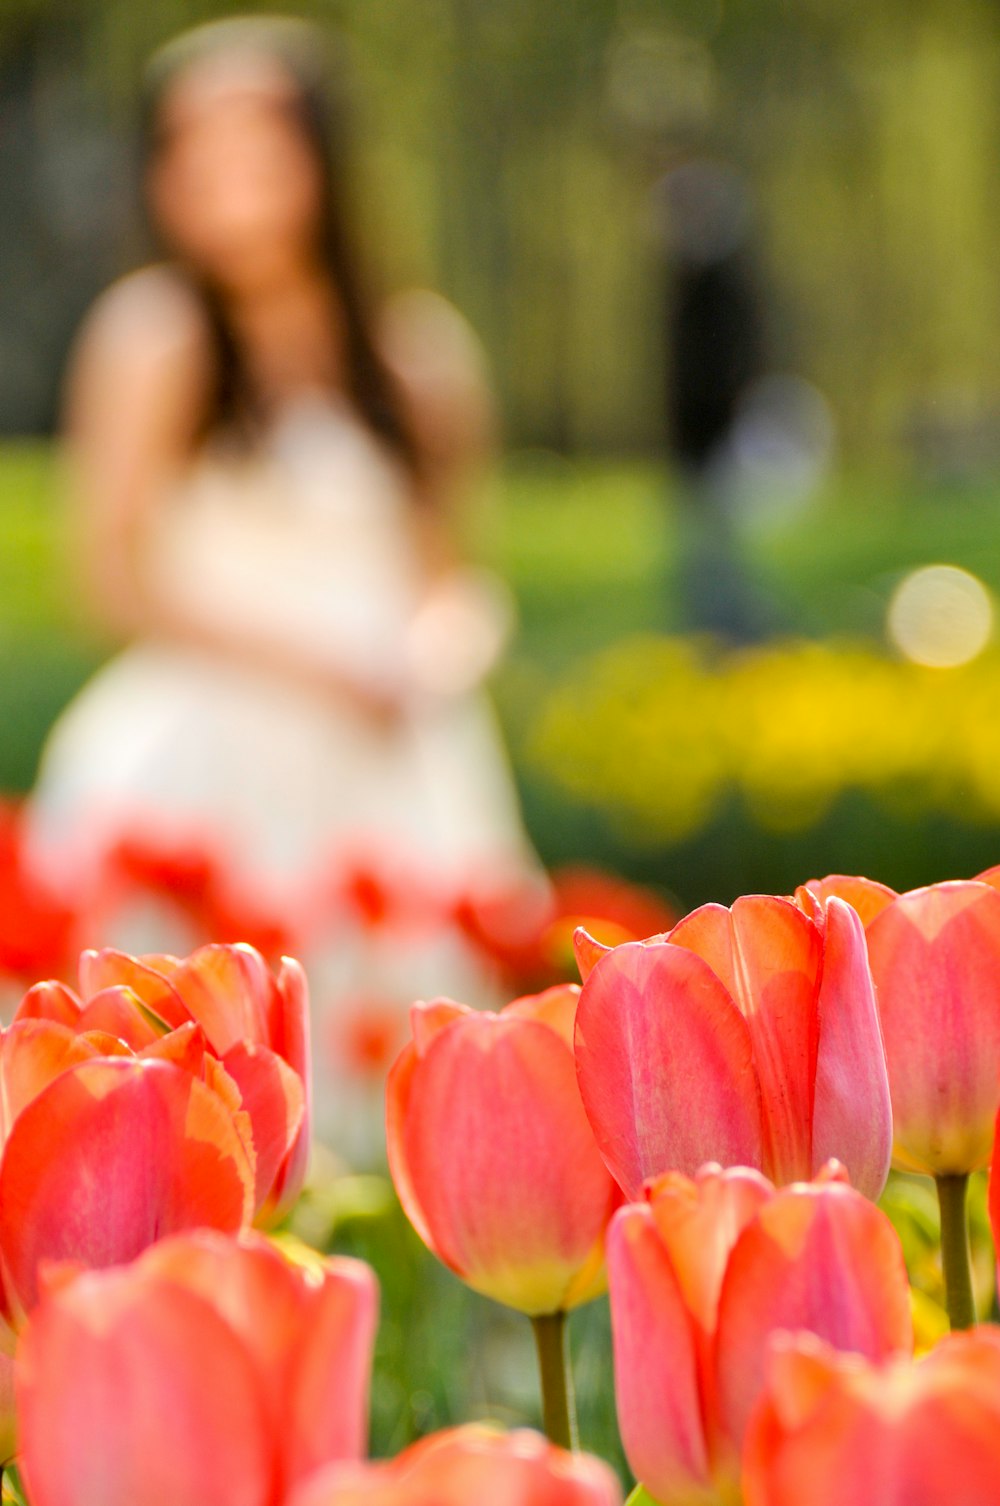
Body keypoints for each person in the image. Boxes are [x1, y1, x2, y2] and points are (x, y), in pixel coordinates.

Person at [24, 17, 535, 1143]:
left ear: (322, 160)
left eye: (257, 146)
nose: (226, 181)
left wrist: (438, 656)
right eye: (191, 152)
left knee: (404, 1064)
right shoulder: (153, 339)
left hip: (392, 761)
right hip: (209, 752)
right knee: (184, 1083)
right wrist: (315, 663)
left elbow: (454, 575)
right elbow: (110, 579)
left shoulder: (414, 355)